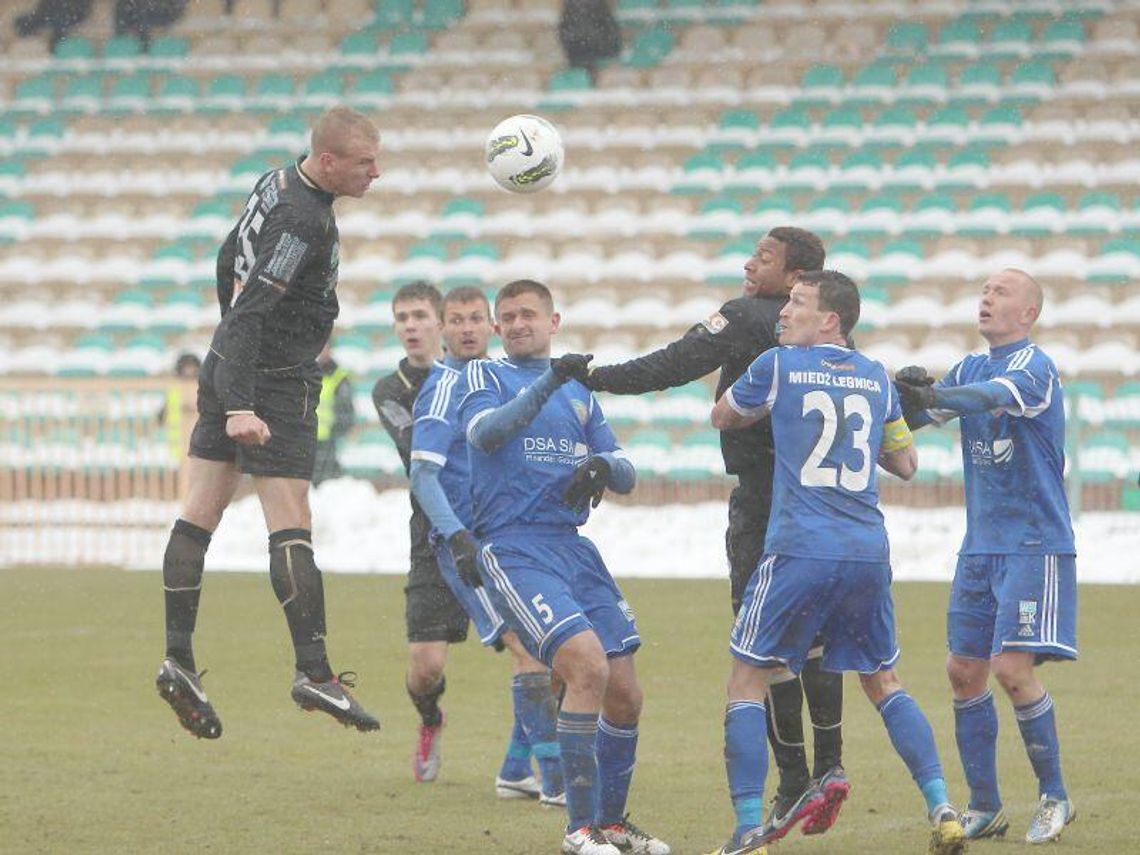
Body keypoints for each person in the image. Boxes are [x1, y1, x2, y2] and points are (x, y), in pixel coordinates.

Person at [586, 227, 848, 836]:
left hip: (763, 503)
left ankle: (790, 781)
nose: (749, 264)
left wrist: (594, 376)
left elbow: (674, 364)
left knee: (762, 645)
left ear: (795, 277)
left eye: (763, 257)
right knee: (817, 640)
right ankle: (831, 765)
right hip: (828, 510)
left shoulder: (749, 318)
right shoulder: (835, 339)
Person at [707, 270, 966, 855]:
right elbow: (905, 464)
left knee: (746, 680)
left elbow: (723, 416)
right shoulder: (877, 377)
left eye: (797, 303)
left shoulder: (776, 365)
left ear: (831, 320)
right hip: (866, 552)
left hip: (799, 546)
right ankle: (944, 809)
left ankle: (750, 827)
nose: (784, 311)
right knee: (884, 681)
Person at [155, 106, 382, 739]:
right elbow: (256, 304)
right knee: (291, 524)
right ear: (330, 162)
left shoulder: (277, 179)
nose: (376, 173)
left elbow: (228, 256)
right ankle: (315, 671)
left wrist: (227, 362)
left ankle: (179, 659)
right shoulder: (302, 219)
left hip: (232, 365)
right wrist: (241, 402)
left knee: (198, 514)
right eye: (366, 163)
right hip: (273, 385)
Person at [459, 279, 670, 855]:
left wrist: (602, 465)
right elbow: (485, 433)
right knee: (587, 668)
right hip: (515, 548)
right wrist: (553, 378)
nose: (518, 323)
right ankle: (578, 831)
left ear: (554, 323)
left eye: (529, 314)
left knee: (625, 693)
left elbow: (626, 467)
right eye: (508, 317)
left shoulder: (580, 395)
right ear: (498, 329)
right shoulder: (484, 376)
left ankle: (612, 823)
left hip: (575, 550)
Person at [894, 268, 1077, 845]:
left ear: (1028, 313)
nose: (986, 299)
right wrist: (898, 396)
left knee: (1010, 669)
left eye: (1000, 293)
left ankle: (1055, 796)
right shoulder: (970, 367)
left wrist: (935, 395)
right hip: (980, 545)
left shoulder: (1033, 367)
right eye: (983, 292)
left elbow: (993, 398)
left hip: (1033, 542)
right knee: (962, 670)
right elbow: (925, 415)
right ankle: (986, 806)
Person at [406, 285, 565, 801]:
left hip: (514, 537)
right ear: (443, 329)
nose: (468, 328)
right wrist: (456, 538)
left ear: (490, 326)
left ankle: (517, 769)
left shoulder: (492, 378)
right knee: (532, 652)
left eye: (477, 318)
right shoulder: (445, 384)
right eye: (457, 320)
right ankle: (557, 780)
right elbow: (423, 476)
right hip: (470, 544)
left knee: (557, 653)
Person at [312, 339, 355, 485]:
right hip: (306, 436)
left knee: (327, 481)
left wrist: (337, 430)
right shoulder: (306, 373)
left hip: (328, 439)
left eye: (323, 348)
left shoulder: (339, 376)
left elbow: (346, 409)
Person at [558, 0, 622, 85]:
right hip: (576, 54)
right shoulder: (569, 8)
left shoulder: (601, 7)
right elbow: (564, 34)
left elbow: (611, 35)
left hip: (600, 52)